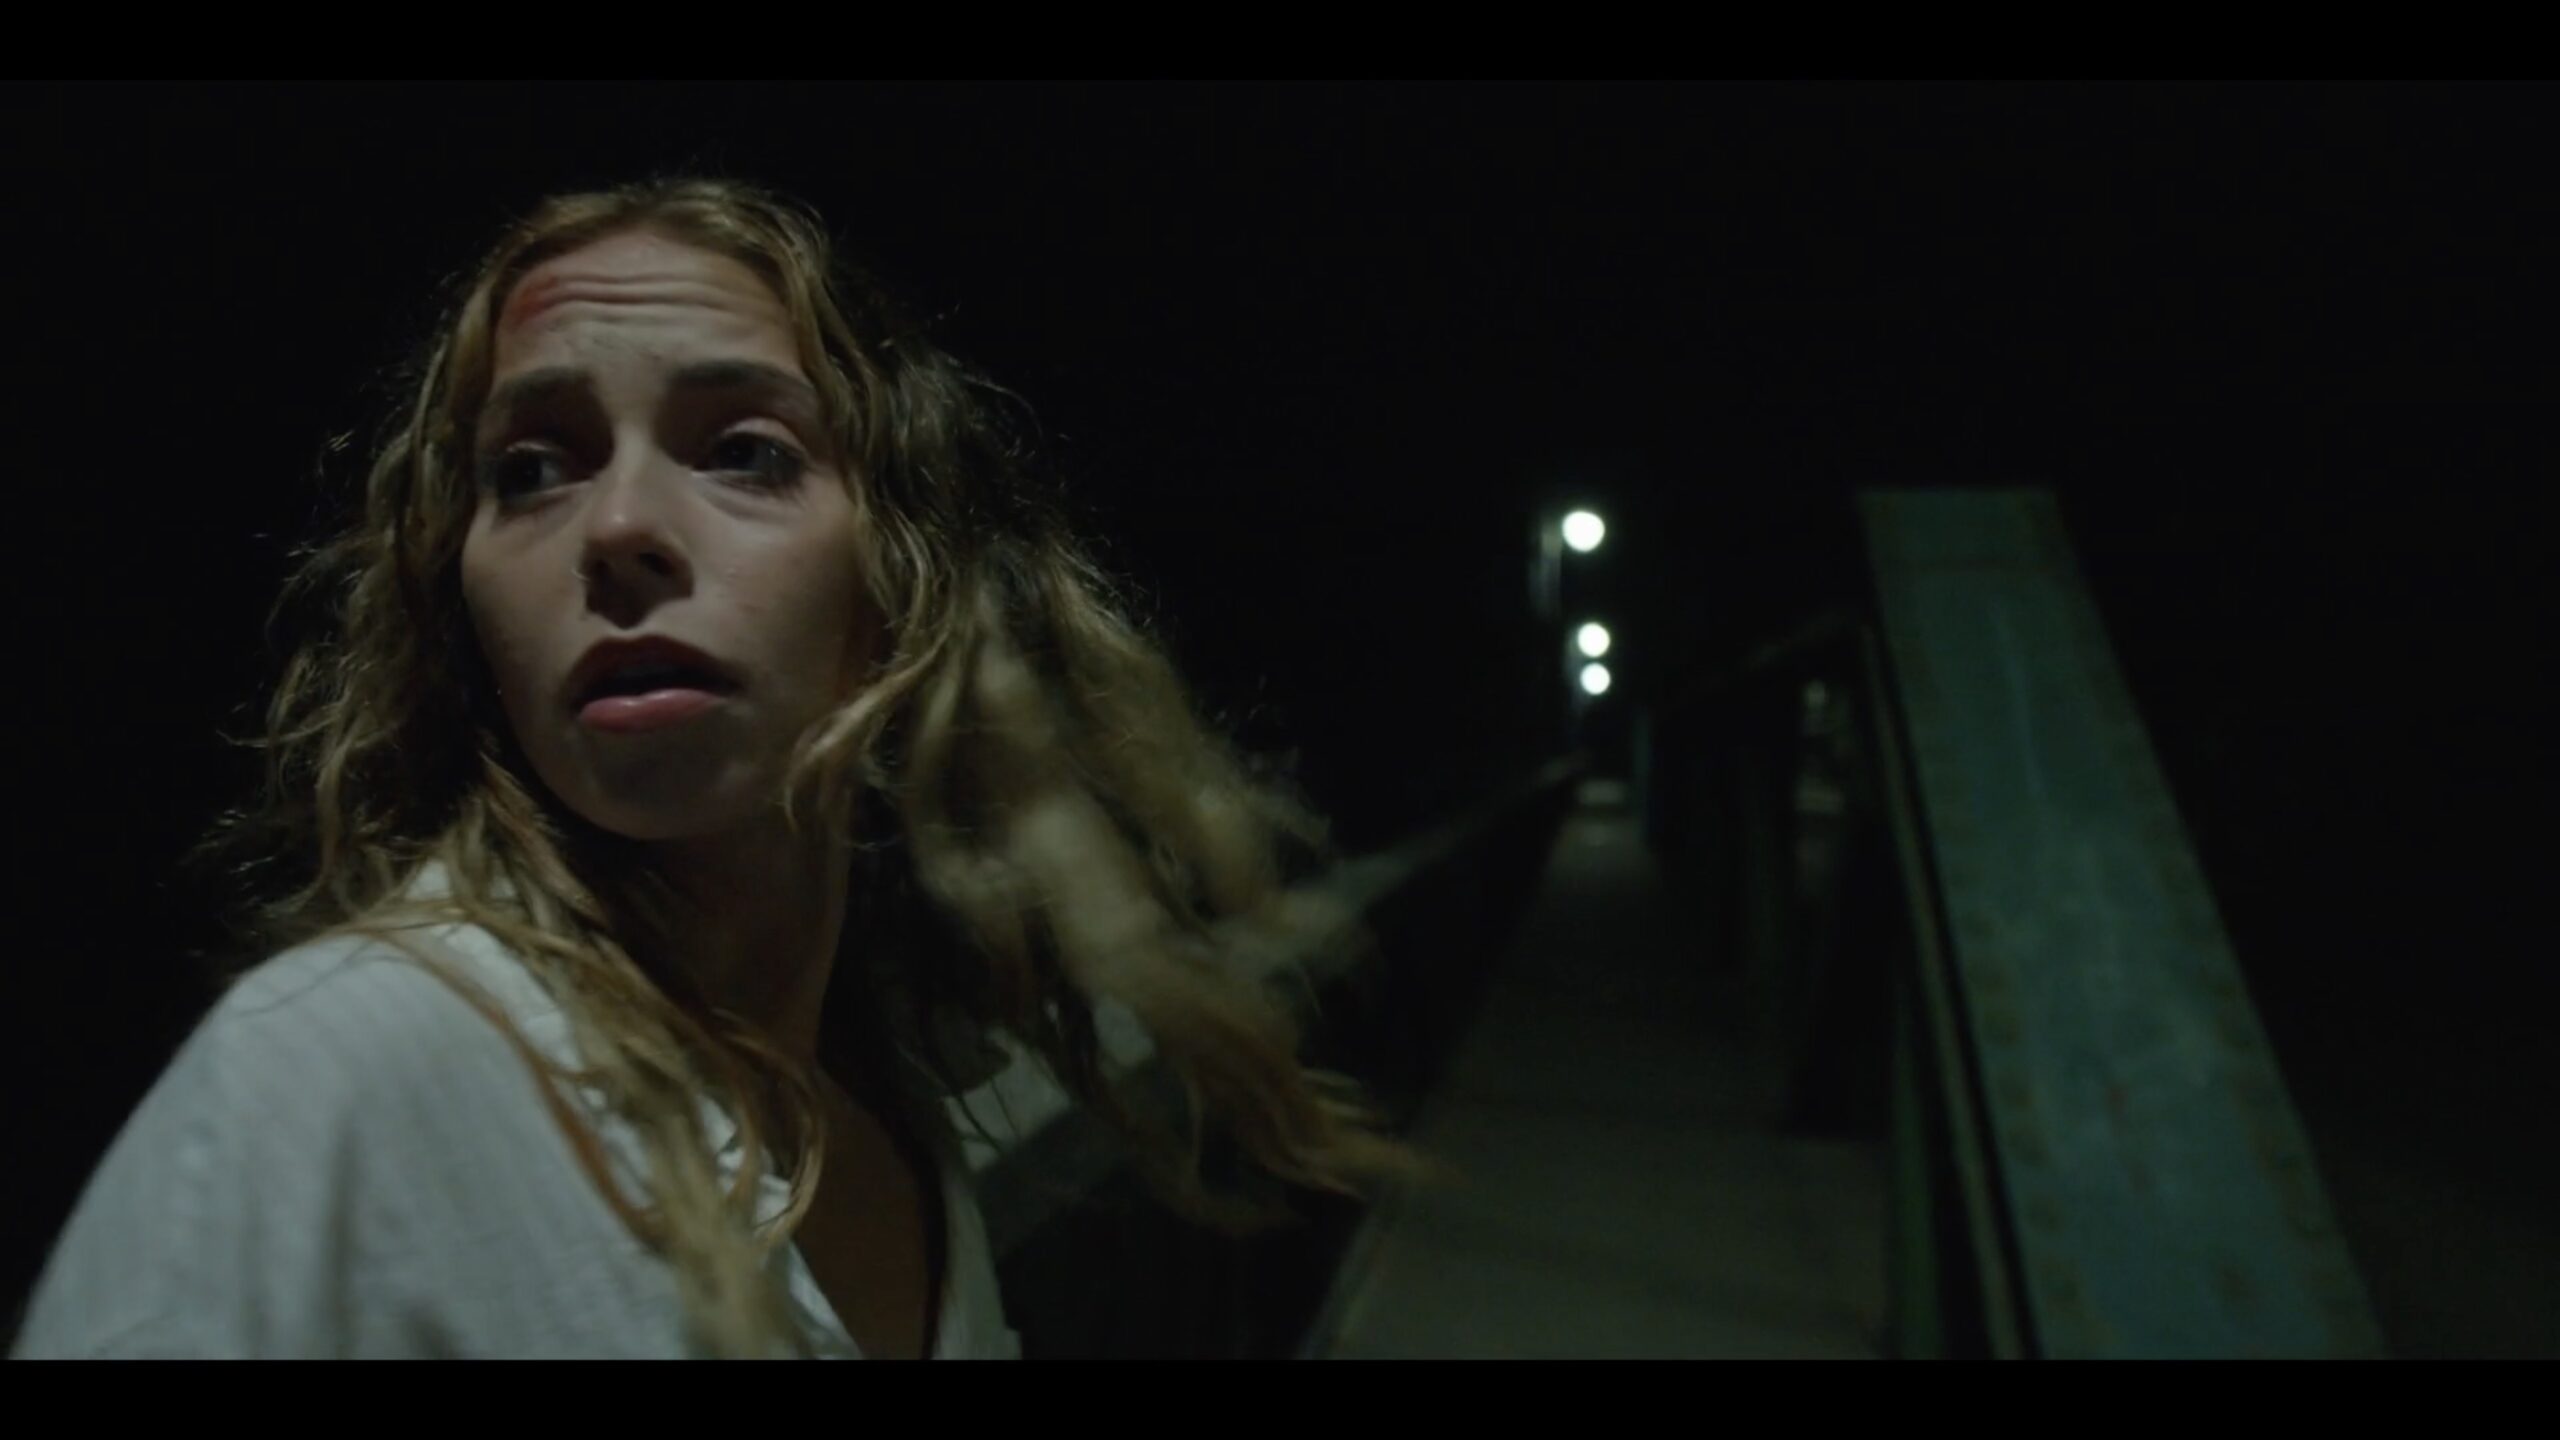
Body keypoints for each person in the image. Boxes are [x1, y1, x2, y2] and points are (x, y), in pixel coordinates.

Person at [11, 177, 1421, 1360]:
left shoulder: (874, 1096)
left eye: (745, 451)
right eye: (532, 468)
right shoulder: (337, 1067)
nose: (616, 526)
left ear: (902, 577)